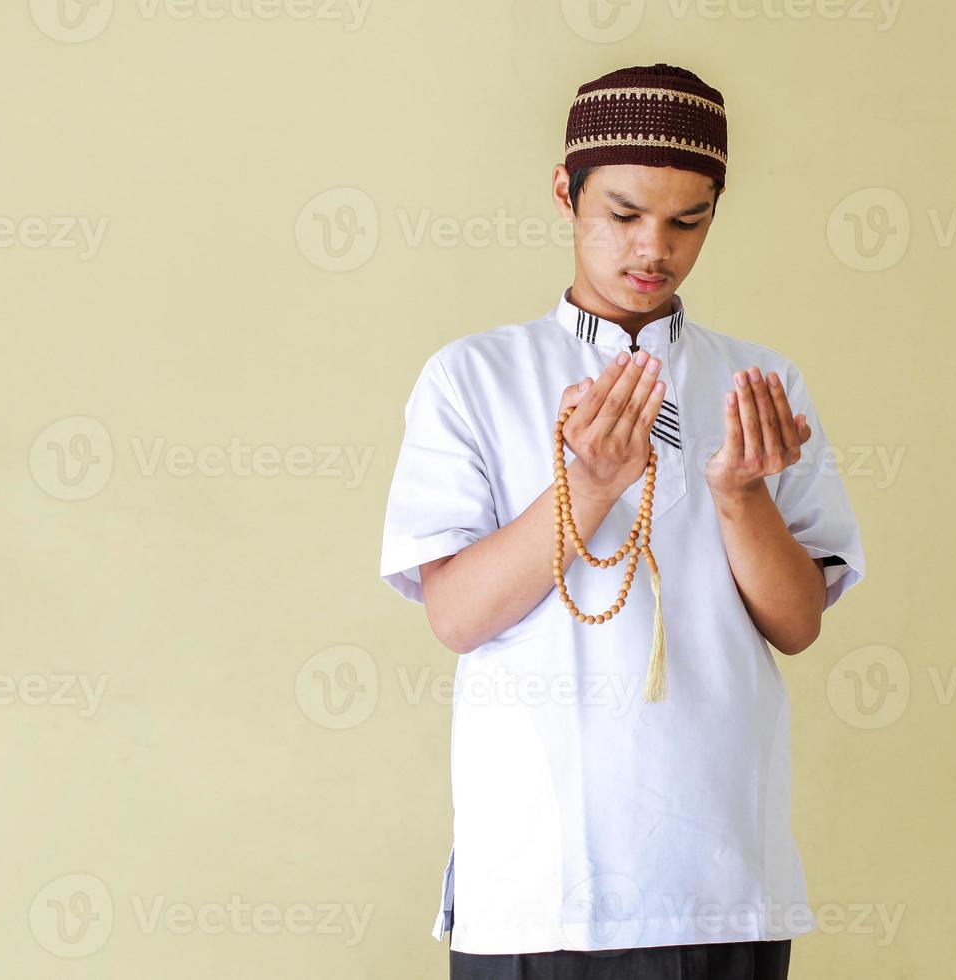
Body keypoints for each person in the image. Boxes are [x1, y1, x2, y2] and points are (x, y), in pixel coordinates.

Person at [378, 64, 867, 979]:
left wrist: (738, 496)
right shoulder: (473, 377)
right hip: (540, 884)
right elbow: (455, 617)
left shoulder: (760, 383)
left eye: (689, 221)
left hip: (722, 876)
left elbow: (797, 624)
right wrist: (587, 489)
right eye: (624, 215)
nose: (656, 248)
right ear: (565, 194)